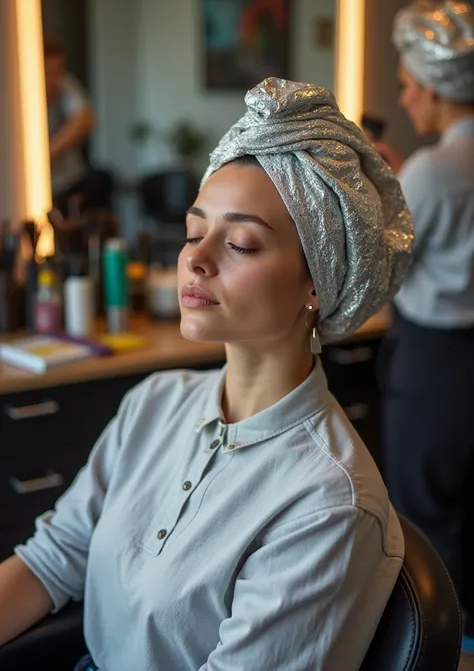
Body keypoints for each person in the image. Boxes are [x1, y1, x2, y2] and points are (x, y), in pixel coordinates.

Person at [0, 78, 413, 671]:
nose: (196, 257)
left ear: (317, 284)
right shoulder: (154, 401)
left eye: (241, 243)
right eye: (195, 232)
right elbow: (55, 559)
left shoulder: (327, 506)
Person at [377, 0, 474, 654]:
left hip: (436, 365)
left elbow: (383, 269)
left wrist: (386, 188)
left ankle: (433, 649)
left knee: (422, 514)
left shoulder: (434, 171)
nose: (406, 99)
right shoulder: (433, 167)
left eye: (410, 86)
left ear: (437, 88)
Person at [44, 35, 95, 216]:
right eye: (49, 73)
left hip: (68, 182)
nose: (55, 80)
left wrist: (46, 156)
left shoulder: (66, 85)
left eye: (59, 71)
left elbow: (84, 120)